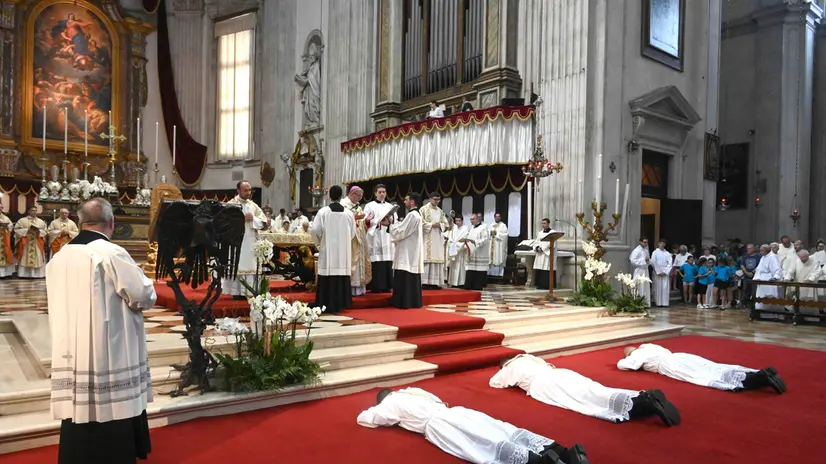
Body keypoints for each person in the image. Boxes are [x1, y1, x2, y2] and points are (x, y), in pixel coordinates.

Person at [47, 198, 157, 463]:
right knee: (110, 405)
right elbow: (143, 294)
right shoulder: (110, 253)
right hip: (108, 348)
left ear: (80, 222)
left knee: (80, 404)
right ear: (112, 223)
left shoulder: (59, 256)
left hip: (71, 346)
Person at [358, 387, 590, 464]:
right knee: (501, 428)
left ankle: (541, 462)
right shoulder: (412, 391)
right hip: (457, 411)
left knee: (484, 444)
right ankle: (565, 453)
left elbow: (368, 419)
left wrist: (376, 408)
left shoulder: (389, 403)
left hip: (439, 425)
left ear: (383, 398)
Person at [491, 355, 681, 427]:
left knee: (585, 401)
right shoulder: (529, 358)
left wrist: (504, 371)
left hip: (545, 385)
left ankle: (643, 403)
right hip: (560, 373)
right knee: (594, 389)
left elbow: (495, 383)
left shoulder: (510, 368)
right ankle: (640, 398)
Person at [619, 344, 786, 394]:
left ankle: (756, 379)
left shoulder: (637, 355)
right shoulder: (650, 346)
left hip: (671, 365)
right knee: (712, 367)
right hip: (680, 355)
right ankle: (755, 373)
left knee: (702, 376)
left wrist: (627, 357)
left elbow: (626, 365)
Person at [311, 185, 356, 314]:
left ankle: (324, 302)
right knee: (341, 273)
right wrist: (345, 241)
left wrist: (320, 243)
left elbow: (315, 230)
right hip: (343, 253)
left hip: (328, 251)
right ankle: (342, 302)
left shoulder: (323, 212)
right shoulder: (348, 213)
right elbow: (352, 232)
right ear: (341, 196)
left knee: (327, 274)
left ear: (329, 196)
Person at [221, 181, 268, 299]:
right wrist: (242, 218)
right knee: (237, 265)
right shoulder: (231, 204)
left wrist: (254, 219)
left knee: (250, 265)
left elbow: (264, 223)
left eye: (249, 190)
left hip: (251, 241)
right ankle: (236, 292)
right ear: (238, 191)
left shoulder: (253, 206)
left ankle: (249, 291)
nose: (248, 193)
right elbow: (223, 222)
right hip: (236, 241)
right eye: (245, 190)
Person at [390, 193, 424, 308]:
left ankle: (404, 302)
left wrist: (390, 225)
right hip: (410, 250)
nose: (404, 202)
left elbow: (402, 231)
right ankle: (412, 301)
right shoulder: (415, 215)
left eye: (406, 200)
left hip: (407, 252)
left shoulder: (412, 215)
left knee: (405, 274)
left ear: (412, 202)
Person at [363, 184, 396, 293]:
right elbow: (365, 221)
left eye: (384, 192)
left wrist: (390, 221)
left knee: (387, 260)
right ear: (375, 193)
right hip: (375, 235)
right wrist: (377, 222)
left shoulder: (390, 206)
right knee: (376, 261)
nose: (382, 194)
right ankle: (376, 286)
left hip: (386, 236)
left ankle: (387, 285)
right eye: (380, 192)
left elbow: (395, 221)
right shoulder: (369, 206)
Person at [341, 186, 372, 296]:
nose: (360, 198)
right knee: (351, 262)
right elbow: (341, 221)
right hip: (350, 239)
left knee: (360, 263)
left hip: (360, 238)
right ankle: (350, 288)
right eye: (358, 196)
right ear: (352, 193)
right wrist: (355, 218)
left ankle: (359, 288)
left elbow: (362, 223)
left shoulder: (358, 206)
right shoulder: (343, 205)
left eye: (361, 196)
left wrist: (367, 221)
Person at [419, 192, 450, 289]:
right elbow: (420, 223)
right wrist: (432, 225)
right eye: (435, 199)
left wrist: (440, 225)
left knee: (436, 260)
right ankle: (425, 283)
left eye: (438, 200)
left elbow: (446, 224)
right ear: (430, 199)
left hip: (437, 239)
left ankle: (435, 283)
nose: (437, 201)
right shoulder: (423, 209)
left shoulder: (440, 211)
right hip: (427, 238)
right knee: (427, 260)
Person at [14, 206, 47, 278]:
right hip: (27, 242)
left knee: (38, 257)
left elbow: (45, 231)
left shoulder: (40, 221)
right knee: (25, 257)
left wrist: (39, 231)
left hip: (36, 242)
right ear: (28, 211)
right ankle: (24, 274)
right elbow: (16, 230)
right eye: (32, 210)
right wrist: (27, 231)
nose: (34, 212)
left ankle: (38, 274)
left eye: (35, 210)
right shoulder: (22, 220)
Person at [464, 213, 491, 290]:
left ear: (477, 219)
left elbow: (486, 239)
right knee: (471, 268)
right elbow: (468, 238)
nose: (471, 221)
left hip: (480, 252)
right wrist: (467, 246)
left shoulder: (483, 228)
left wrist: (477, 243)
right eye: (470, 219)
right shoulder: (471, 228)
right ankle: (469, 285)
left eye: (473, 219)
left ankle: (477, 285)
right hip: (472, 252)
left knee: (479, 269)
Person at [753, 244, 782, 310]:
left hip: (768, 279)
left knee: (770, 297)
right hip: (761, 280)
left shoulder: (772, 257)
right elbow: (759, 269)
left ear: (766, 250)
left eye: (761, 250)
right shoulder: (763, 257)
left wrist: (775, 277)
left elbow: (777, 269)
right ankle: (760, 311)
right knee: (760, 297)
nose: (760, 252)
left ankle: (771, 313)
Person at [445, 216, 469, 288]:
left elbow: (464, 240)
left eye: (459, 221)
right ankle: (452, 282)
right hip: (453, 251)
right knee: (453, 267)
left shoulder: (465, 229)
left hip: (460, 252)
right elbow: (451, 239)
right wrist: (451, 243)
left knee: (460, 267)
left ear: (462, 221)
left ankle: (461, 283)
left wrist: (456, 246)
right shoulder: (454, 229)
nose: (457, 222)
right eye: (456, 221)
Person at [533, 218, 557, 290]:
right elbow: (536, 241)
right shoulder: (540, 233)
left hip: (547, 254)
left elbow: (552, 242)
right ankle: (540, 284)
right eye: (542, 223)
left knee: (547, 269)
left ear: (548, 224)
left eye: (544, 223)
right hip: (540, 254)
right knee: (540, 269)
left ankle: (548, 285)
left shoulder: (553, 233)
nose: (543, 225)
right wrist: (537, 247)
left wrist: (543, 249)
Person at [629, 238, 651, 307]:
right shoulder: (636, 250)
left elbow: (648, 260)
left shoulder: (646, 251)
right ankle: (637, 302)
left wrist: (648, 261)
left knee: (645, 286)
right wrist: (643, 260)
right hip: (639, 270)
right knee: (639, 286)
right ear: (640, 242)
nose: (646, 244)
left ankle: (645, 303)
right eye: (644, 242)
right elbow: (632, 260)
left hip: (645, 270)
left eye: (647, 242)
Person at [650, 241, 671, 307]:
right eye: (661, 243)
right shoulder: (655, 252)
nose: (662, 244)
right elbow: (653, 262)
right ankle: (657, 302)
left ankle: (665, 303)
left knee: (665, 287)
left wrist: (665, 271)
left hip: (665, 271)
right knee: (657, 287)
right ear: (658, 244)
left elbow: (670, 263)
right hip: (657, 271)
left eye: (663, 243)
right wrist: (658, 271)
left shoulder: (667, 253)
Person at [488, 213, 508, 278]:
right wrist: (490, 233)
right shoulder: (491, 225)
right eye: (496, 217)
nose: (497, 218)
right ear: (494, 217)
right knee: (491, 259)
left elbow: (505, 235)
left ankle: (498, 275)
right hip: (491, 245)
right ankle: (490, 274)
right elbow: (487, 234)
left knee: (498, 259)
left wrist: (497, 234)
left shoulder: (503, 226)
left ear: (500, 218)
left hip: (498, 246)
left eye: (498, 217)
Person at [0, 204, 14, 278]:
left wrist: (7, 227)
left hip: (4, 239)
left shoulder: (6, 218)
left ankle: (4, 274)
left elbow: (11, 226)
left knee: (5, 253)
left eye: (1, 208)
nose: (0, 209)